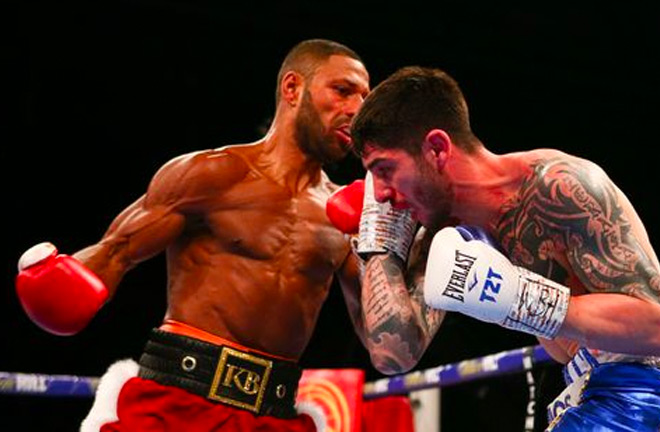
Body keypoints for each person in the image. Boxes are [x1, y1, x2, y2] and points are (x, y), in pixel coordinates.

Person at [15, 38, 370, 432]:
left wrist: (395, 250)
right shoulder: (213, 175)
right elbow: (114, 254)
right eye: (343, 91)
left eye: (363, 98)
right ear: (292, 89)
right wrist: (54, 280)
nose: (356, 110)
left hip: (274, 416)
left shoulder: (349, 216)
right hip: (176, 405)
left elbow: (381, 341)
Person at [335, 66, 660, 431]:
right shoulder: (452, 235)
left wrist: (523, 299)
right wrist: (382, 240)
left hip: (644, 390)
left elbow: (656, 324)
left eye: (385, 169)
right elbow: (392, 354)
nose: (379, 194)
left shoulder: (558, 188)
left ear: (437, 149)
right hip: (591, 395)